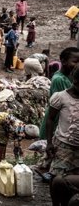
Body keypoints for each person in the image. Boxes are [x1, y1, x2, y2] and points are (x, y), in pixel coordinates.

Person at [44, 67, 79, 206]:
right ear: (74, 80)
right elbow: (51, 119)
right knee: (56, 175)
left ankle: (69, 205)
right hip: (63, 144)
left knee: (72, 177)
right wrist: (49, 142)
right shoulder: (61, 97)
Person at [38, 47, 79, 178]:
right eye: (75, 61)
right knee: (54, 159)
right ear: (63, 61)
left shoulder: (67, 78)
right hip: (58, 127)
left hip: (66, 130)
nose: (77, 64)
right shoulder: (59, 80)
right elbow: (56, 112)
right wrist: (51, 140)